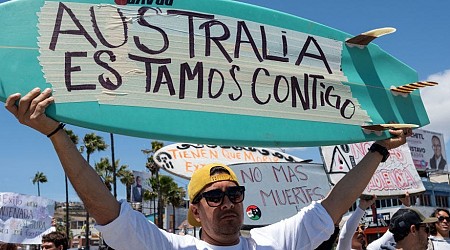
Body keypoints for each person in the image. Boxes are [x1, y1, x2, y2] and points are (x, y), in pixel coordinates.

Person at [5, 88, 412, 250]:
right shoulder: (171, 247)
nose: (227, 202)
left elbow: (335, 204)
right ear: (196, 210)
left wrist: (378, 150)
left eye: (234, 193)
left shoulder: (272, 242)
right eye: (214, 196)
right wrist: (56, 133)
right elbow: (105, 209)